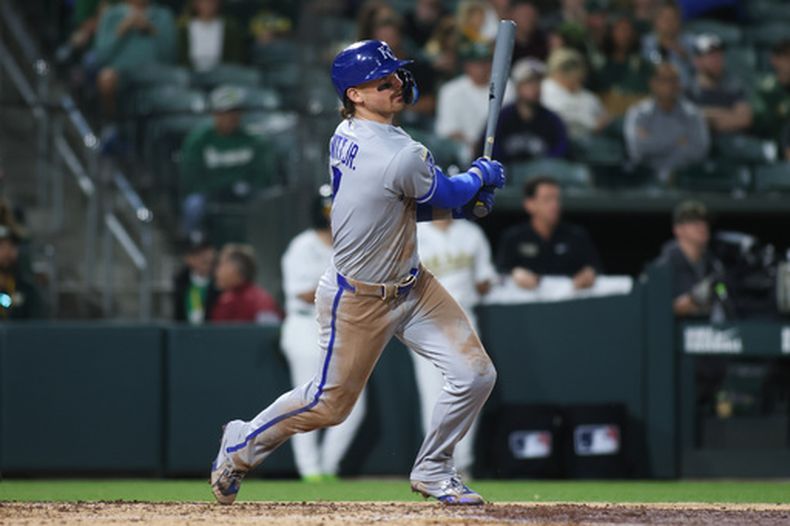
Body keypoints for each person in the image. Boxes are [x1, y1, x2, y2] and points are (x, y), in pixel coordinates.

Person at [210, 39, 505, 506]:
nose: (395, 84)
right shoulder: (398, 152)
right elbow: (444, 192)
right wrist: (478, 177)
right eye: (380, 80)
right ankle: (242, 443)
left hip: (413, 286)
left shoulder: (349, 133)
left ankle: (433, 469)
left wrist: (463, 207)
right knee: (330, 405)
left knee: (475, 376)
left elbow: (402, 207)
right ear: (355, 95)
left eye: (394, 75)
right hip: (359, 297)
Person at [279, 186, 366, 482]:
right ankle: (309, 470)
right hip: (307, 325)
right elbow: (302, 293)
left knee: (355, 401)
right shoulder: (302, 245)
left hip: (344, 327)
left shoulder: (352, 246)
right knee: (306, 398)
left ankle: (328, 466)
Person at [413, 217, 497, 478]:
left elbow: (485, 279)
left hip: (464, 317)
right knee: (432, 394)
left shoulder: (471, 233)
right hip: (425, 320)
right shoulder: (413, 231)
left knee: (473, 386)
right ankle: (435, 464)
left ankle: (463, 464)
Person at [179, 85, 276, 235]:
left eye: (235, 112)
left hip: (245, 191)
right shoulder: (199, 139)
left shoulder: (254, 139)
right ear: (215, 114)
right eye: (226, 112)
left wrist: (245, 185)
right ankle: (194, 247)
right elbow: (191, 176)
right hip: (209, 192)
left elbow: (263, 175)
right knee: (193, 205)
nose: (231, 117)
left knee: (269, 202)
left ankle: (269, 243)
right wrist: (218, 187)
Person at [496, 176, 602, 290]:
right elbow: (499, 274)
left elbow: (596, 269)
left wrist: (589, 273)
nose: (554, 205)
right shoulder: (513, 237)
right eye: (547, 199)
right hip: (526, 304)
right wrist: (514, 273)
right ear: (529, 204)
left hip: (571, 303)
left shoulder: (577, 236)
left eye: (557, 199)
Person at [624, 62, 709, 183]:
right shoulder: (639, 113)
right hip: (645, 178)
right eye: (663, 80)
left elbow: (698, 151)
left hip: (685, 178)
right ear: (653, 83)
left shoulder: (693, 114)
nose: (670, 85)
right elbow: (638, 149)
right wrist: (678, 140)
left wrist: (653, 140)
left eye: (674, 80)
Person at [94, 0, 177, 120]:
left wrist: (151, 30)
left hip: (155, 72)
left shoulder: (163, 15)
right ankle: (111, 123)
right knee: (106, 78)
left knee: (178, 78)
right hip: (121, 72)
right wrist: (121, 30)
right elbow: (100, 56)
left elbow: (170, 57)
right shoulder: (111, 15)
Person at [435, 39, 515, 163]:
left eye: (485, 62)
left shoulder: (506, 86)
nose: (481, 68)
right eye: (476, 63)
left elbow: (509, 124)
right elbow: (448, 131)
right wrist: (476, 146)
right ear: (467, 65)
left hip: (499, 149)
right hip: (463, 151)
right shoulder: (451, 90)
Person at [478, 58, 569, 164]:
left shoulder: (552, 119)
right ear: (518, 87)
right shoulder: (502, 117)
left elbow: (562, 149)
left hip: (541, 174)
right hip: (508, 174)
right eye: (529, 83)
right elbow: (487, 148)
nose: (535, 88)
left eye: (538, 82)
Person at [654, 200, 724, 317]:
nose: (702, 226)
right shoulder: (663, 267)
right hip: (673, 332)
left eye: (705, 221)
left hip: (712, 331)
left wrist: (721, 293)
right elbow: (654, 308)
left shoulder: (715, 265)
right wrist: (693, 299)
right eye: (694, 222)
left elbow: (723, 294)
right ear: (678, 229)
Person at [686, 34, 752, 135]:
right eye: (711, 56)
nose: (717, 60)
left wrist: (708, 116)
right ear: (697, 61)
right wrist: (727, 114)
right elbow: (688, 121)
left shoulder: (732, 86)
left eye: (720, 55)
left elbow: (744, 119)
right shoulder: (689, 90)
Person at [591, 14, 654, 118]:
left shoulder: (643, 66)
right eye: (620, 30)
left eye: (628, 30)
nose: (624, 34)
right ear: (610, 32)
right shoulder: (598, 65)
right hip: (605, 117)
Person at [541, 47, 608, 139]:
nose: (579, 76)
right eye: (571, 69)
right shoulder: (544, 90)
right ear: (559, 72)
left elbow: (604, 119)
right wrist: (593, 126)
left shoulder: (588, 96)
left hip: (591, 142)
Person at [209, 243, 281, 324]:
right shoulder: (225, 298)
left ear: (235, 269)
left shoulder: (261, 300)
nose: (216, 272)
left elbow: (269, 332)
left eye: (221, 265)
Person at [177, 0, 245, 72]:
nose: (208, 5)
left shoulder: (230, 28)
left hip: (223, 76)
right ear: (195, 3)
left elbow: (236, 60)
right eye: (203, 2)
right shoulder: (184, 29)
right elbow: (181, 61)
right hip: (191, 76)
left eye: (211, 2)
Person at [641, 2, 695, 88]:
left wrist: (685, 56)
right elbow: (643, 69)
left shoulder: (690, 42)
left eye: (673, 19)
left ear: (679, 21)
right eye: (665, 19)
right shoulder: (646, 42)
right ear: (656, 21)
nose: (669, 23)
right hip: (652, 92)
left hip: (685, 92)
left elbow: (699, 71)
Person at [172, 231, 219, 324]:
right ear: (187, 258)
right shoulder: (181, 281)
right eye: (196, 253)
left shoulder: (222, 280)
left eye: (205, 250)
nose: (203, 257)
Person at [0, 224, 45, 320]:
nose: (6, 252)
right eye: (1, 246)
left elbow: (38, 324)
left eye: (11, 246)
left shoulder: (27, 289)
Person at [752, 40, 790, 151]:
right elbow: (761, 122)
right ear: (775, 60)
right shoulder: (766, 90)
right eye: (787, 58)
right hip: (774, 146)